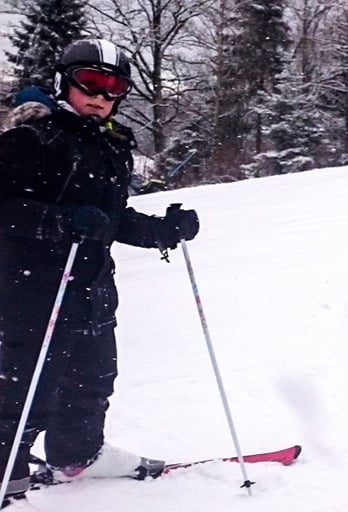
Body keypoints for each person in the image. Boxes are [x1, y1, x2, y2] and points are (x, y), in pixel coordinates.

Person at [0, 39, 200, 503]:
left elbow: (109, 216)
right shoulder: (31, 140)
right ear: (64, 81)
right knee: (25, 388)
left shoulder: (111, 145)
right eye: (90, 82)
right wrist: (57, 221)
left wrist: (161, 231)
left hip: (89, 290)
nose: (100, 95)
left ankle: (78, 454)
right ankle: (6, 467)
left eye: (113, 87)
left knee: (91, 381)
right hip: (33, 291)